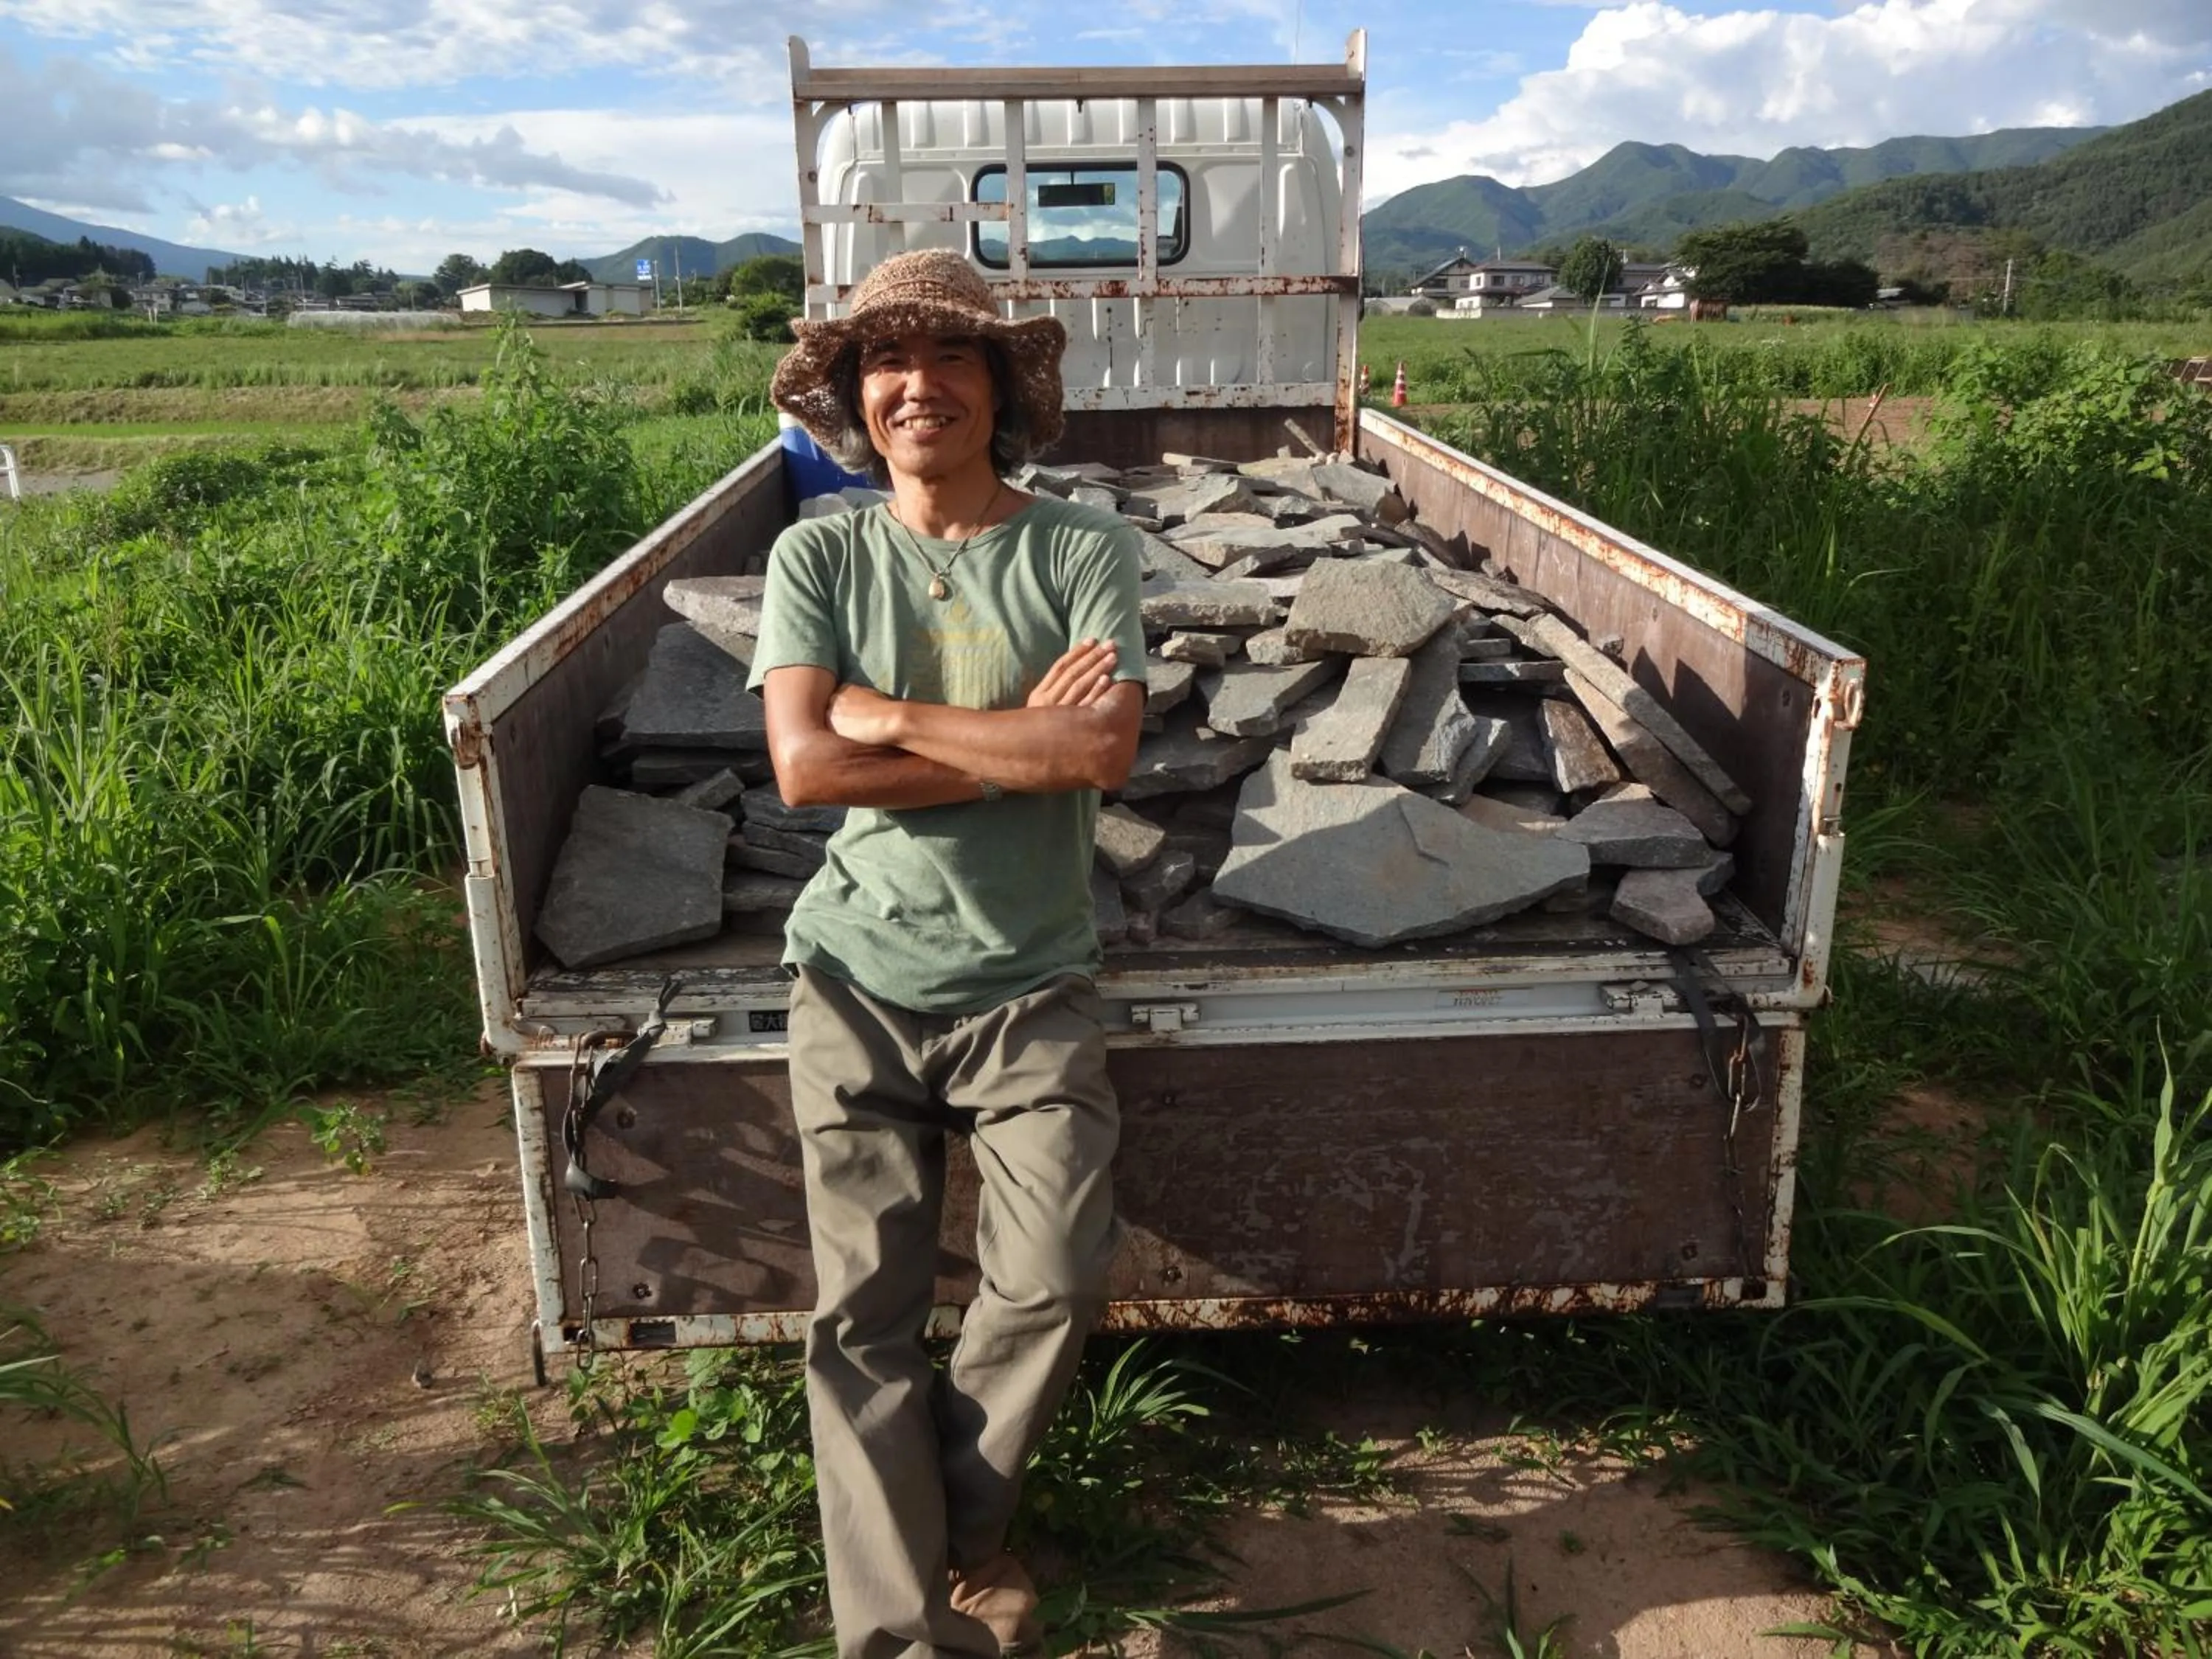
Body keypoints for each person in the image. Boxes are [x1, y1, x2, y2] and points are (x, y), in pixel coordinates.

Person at [746, 248, 1149, 1659]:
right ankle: (906, 1632)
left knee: (1049, 1278)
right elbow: (801, 767)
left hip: (1032, 977)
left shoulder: (1080, 547)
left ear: (1001, 389)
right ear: (859, 398)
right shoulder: (822, 552)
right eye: (888, 365)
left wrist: (890, 713)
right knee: (862, 1311)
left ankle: (963, 1526)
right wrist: (1011, 751)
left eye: (954, 359)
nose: (921, 386)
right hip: (853, 976)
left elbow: (1100, 743)